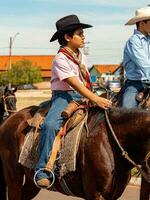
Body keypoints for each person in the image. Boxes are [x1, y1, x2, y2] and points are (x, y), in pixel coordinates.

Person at [35, 14, 112, 188]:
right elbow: (74, 83)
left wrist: (96, 95)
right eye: (80, 33)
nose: (84, 36)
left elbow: (85, 81)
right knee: (50, 125)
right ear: (68, 37)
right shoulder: (60, 59)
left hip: (84, 94)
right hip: (64, 96)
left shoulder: (81, 55)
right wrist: (95, 99)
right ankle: (42, 169)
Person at [121, 6, 150, 108]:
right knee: (127, 114)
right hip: (135, 84)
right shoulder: (133, 41)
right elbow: (145, 64)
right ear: (142, 23)